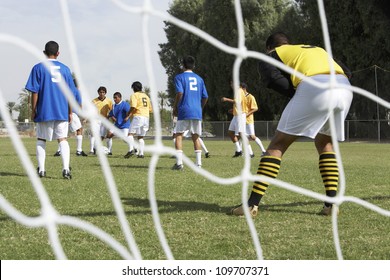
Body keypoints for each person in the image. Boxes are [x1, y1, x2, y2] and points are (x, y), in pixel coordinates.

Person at [231, 32, 353, 217]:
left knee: (277, 145)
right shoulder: (315, 49)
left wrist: (298, 93)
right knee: (325, 144)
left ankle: (251, 205)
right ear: (289, 43)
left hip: (315, 86)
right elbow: (348, 71)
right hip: (344, 87)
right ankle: (331, 205)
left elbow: (272, 79)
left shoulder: (271, 54)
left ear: (269, 47)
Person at [25, 40, 75, 179]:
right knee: (63, 139)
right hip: (61, 110)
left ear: (44, 53)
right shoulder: (65, 69)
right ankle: (66, 170)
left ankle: (41, 170)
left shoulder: (38, 68)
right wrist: (70, 111)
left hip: (44, 109)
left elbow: (34, 91)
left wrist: (34, 109)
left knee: (41, 139)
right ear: (58, 53)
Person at [172, 55, 208, 170]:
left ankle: (179, 164)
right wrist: (200, 107)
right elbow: (205, 96)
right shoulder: (199, 79)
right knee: (196, 136)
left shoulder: (179, 77)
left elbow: (180, 93)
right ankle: (198, 164)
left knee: (178, 135)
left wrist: (175, 106)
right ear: (194, 65)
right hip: (197, 111)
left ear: (183, 65)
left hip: (184, 110)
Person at [54, 78, 88, 157]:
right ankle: (79, 150)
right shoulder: (77, 91)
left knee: (62, 132)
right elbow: (79, 104)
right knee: (79, 130)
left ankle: (59, 151)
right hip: (72, 113)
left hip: (62, 112)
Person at [124, 81, 152, 159]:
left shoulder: (134, 95)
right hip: (146, 117)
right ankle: (141, 154)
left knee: (130, 134)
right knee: (140, 137)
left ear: (133, 88)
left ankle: (131, 150)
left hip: (138, 116)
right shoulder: (146, 96)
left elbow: (133, 106)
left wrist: (128, 114)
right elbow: (150, 109)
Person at [221, 82, 247, 157]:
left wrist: (226, 99)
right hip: (236, 115)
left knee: (241, 134)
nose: (231, 86)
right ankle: (238, 150)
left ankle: (249, 152)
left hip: (241, 115)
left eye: (232, 84)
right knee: (230, 132)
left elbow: (237, 102)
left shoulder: (239, 91)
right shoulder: (238, 91)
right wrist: (233, 110)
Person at [241, 82, 266, 158]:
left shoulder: (251, 97)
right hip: (242, 120)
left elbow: (255, 108)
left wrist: (247, 114)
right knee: (243, 137)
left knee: (252, 136)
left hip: (249, 120)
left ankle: (264, 151)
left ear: (244, 89)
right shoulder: (240, 97)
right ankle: (250, 153)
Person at [106, 92, 132, 156]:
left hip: (125, 125)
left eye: (116, 98)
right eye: (114, 98)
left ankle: (133, 148)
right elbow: (111, 114)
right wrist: (111, 117)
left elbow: (131, 112)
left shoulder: (125, 104)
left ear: (120, 98)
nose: (114, 99)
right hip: (116, 125)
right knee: (109, 135)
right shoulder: (114, 106)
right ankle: (109, 151)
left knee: (125, 139)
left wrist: (127, 117)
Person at [89, 86, 113, 155]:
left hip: (104, 120)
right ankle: (91, 150)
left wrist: (110, 117)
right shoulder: (94, 101)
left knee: (102, 136)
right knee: (93, 134)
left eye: (103, 92)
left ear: (105, 93)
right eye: (100, 92)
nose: (102, 93)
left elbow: (111, 111)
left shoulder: (109, 101)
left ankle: (98, 148)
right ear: (98, 93)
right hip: (95, 119)